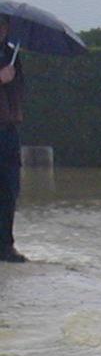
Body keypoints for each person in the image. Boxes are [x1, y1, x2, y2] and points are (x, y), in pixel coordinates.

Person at [0, 16, 27, 263]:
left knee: (9, 188)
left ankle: (6, 245)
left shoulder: (12, 55)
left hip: (7, 129)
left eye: (2, 25)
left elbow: (18, 90)